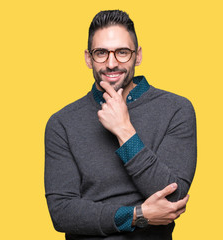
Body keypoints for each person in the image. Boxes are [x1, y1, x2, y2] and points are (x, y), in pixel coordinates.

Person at [44, 10, 197, 240]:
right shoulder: (61, 123)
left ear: (138, 56)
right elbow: (62, 213)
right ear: (88, 58)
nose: (112, 63)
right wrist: (137, 215)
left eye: (123, 52)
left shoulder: (176, 109)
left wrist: (124, 130)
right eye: (101, 53)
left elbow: (173, 199)